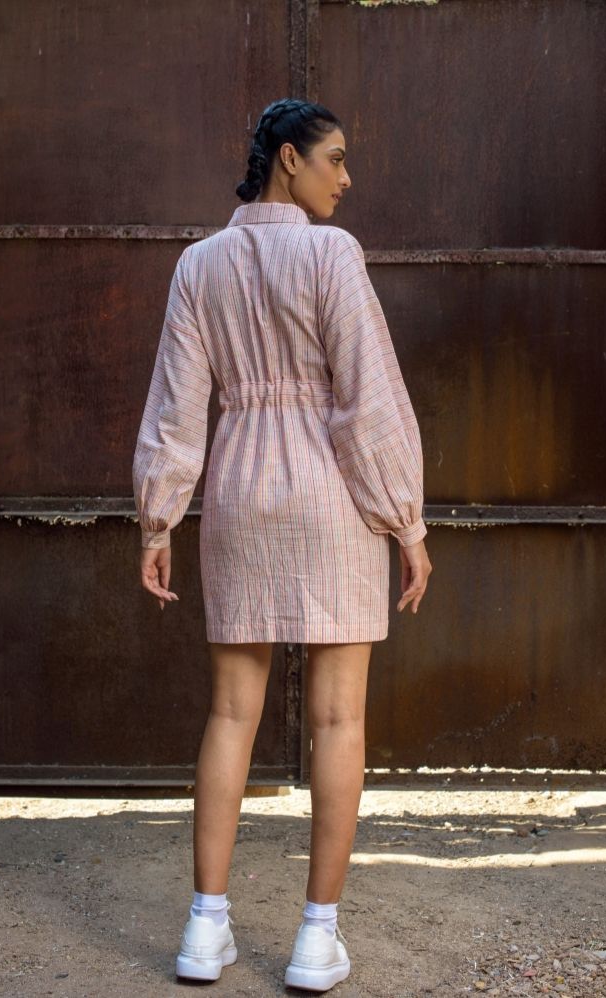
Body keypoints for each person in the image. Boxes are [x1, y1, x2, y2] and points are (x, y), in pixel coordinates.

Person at [132, 97, 432, 993]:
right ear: (288, 159)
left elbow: (177, 408)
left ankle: (205, 928)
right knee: (339, 720)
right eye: (334, 158)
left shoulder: (199, 265)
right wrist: (407, 523)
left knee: (231, 713)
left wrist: (159, 519)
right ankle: (314, 940)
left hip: (238, 496)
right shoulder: (332, 254)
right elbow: (367, 401)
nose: (346, 177)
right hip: (333, 500)